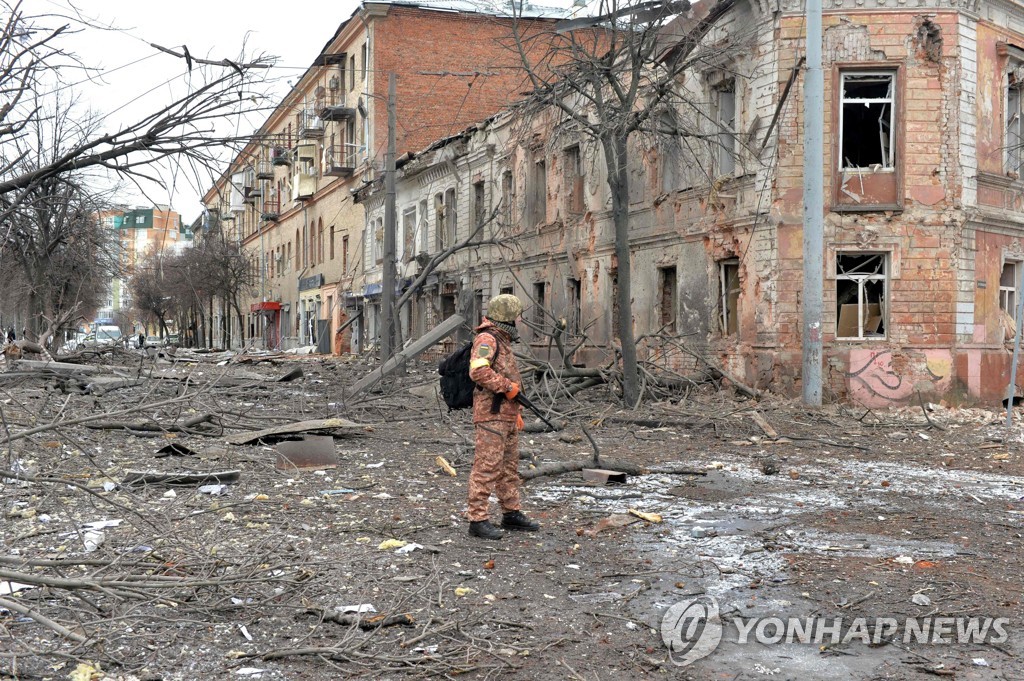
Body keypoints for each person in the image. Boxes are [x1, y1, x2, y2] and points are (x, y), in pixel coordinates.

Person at [466, 293, 540, 540]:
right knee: (486, 468)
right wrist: (508, 388)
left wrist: (515, 411)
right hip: (490, 416)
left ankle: (511, 513)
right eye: (517, 315)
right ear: (508, 316)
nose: (519, 319)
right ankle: (477, 520)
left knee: (508, 468)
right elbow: (478, 372)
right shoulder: (487, 338)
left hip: (505, 416)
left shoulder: (502, 339)